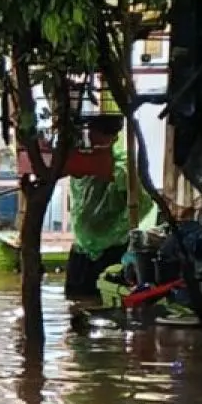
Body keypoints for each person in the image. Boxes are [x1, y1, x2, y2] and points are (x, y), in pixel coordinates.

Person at [65, 115, 153, 299]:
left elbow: (143, 203)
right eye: (90, 133)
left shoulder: (121, 166)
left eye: (98, 134)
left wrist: (116, 230)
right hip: (82, 249)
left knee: (104, 304)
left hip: (109, 249)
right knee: (76, 304)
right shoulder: (80, 157)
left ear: (113, 137)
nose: (92, 138)